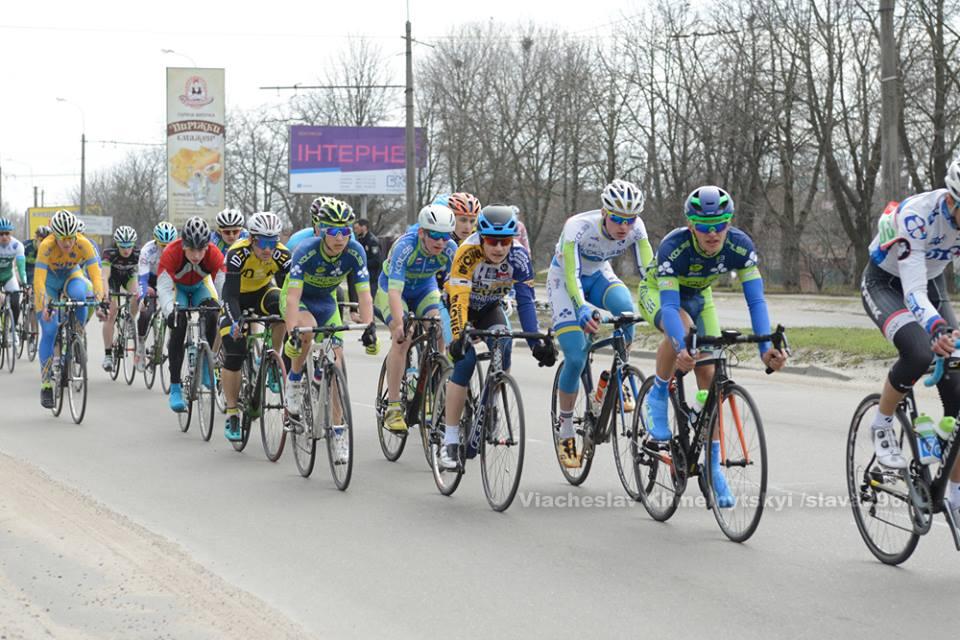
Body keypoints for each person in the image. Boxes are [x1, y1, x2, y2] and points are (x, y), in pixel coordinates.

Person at [637, 185, 786, 508]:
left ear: (729, 223)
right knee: (684, 333)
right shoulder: (674, 248)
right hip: (661, 294)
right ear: (691, 225)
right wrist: (681, 347)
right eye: (704, 227)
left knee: (710, 374)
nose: (713, 233)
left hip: (700, 297)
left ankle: (713, 467)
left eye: (720, 225)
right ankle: (659, 395)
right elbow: (670, 305)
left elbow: (755, 299)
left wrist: (764, 348)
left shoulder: (740, 246)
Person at [860, 160, 960, 521]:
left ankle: (954, 495)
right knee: (919, 352)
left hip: (932, 285)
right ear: (953, 202)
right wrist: (936, 329)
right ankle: (883, 422)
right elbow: (914, 290)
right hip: (887, 283)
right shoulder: (918, 216)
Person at [439, 205, 556, 470]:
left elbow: (526, 303)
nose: (499, 248)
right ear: (482, 237)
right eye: (492, 240)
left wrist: (535, 344)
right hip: (458, 307)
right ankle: (449, 439)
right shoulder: (467, 252)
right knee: (465, 360)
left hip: (490, 307)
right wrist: (458, 335)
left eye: (505, 241)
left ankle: (489, 403)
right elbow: (458, 298)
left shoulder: (519, 256)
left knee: (504, 346)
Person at [548, 179, 653, 469]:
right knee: (576, 356)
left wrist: (661, 304)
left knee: (625, 308)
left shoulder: (637, 228)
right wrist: (581, 308)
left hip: (598, 276)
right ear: (605, 212)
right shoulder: (578, 227)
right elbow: (572, 273)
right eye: (618, 219)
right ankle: (566, 427)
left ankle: (619, 372)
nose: (624, 226)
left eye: (630, 220)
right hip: (565, 281)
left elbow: (649, 272)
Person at [283, 199, 379, 465]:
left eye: (345, 231)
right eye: (333, 232)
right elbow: (292, 298)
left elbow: (364, 294)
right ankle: (293, 381)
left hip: (326, 302)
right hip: (300, 300)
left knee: (337, 365)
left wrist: (369, 325)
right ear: (321, 230)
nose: (340, 238)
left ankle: (338, 434)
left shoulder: (355, 251)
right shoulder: (305, 250)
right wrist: (292, 330)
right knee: (307, 330)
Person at [377, 204, 458, 432]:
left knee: (441, 326)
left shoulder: (451, 248)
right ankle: (393, 407)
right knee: (403, 338)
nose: (441, 242)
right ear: (422, 232)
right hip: (393, 290)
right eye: (435, 236)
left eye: (445, 236)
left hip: (424, 288)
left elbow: (456, 288)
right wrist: (399, 323)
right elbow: (394, 291)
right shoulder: (405, 246)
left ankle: (434, 382)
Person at [219, 212, 290, 441]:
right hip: (236, 298)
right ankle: (232, 413)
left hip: (262, 293)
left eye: (273, 241)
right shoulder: (237, 253)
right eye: (263, 242)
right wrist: (236, 321)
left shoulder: (281, 254)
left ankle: (272, 358)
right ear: (251, 239)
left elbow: (292, 290)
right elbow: (229, 295)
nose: (268, 249)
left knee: (282, 307)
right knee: (234, 352)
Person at [34, 210, 105, 408]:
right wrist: (44, 304)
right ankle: (46, 384)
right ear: (54, 235)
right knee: (49, 330)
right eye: (62, 239)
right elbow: (39, 281)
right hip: (49, 282)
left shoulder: (84, 244)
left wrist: (100, 298)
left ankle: (77, 336)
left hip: (71, 276)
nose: (67, 243)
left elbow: (95, 274)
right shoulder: (46, 246)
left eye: (71, 238)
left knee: (80, 295)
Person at [157, 216, 225, 413]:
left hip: (200, 288)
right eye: (191, 249)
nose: (196, 255)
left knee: (213, 313)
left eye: (201, 249)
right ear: (183, 245)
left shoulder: (214, 253)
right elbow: (163, 287)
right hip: (178, 290)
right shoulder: (171, 252)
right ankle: (176, 387)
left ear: (207, 246)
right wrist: (170, 311)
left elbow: (222, 285)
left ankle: (206, 365)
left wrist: (226, 308)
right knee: (178, 324)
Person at [135, 222, 178, 371]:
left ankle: (171, 343)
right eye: (162, 245)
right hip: (151, 280)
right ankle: (140, 346)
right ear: (155, 241)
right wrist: (143, 296)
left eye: (169, 245)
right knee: (146, 312)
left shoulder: (179, 250)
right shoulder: (147, 250)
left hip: (169, 280)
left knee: (177, 314)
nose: (166, 248)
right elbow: (142, 278)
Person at [98, 226, 140, 371]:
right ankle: (108, 354)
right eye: (123, 246)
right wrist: (105, 296)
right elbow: (104, 276)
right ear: (117, 244)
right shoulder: (109, 253)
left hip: (128, 277)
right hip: (112, 280)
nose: (126, 250)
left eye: (129, 246)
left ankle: (130, 321)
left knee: (137, 294)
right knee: (112, 311)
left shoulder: (137, 253)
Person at [0, 218, 27, 342]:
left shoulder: (17, 245)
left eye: (7, 233)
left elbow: (21, 268)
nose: (4, 237)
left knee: (16, 303)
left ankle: (12, 330)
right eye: (1, 234)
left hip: (8, 276)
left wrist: (25, 284)